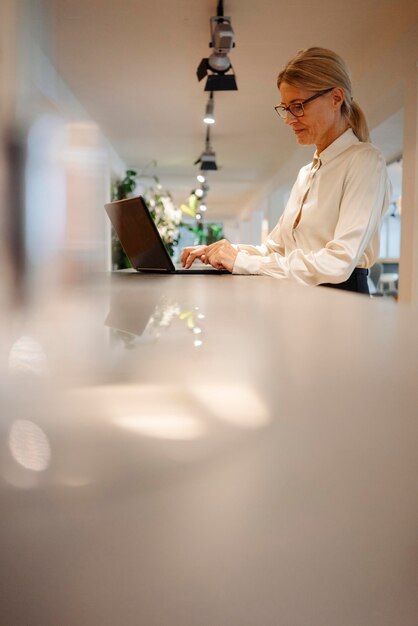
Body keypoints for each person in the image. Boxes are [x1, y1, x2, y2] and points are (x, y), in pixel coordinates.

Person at [181, 47, 391, 294]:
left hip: (341, 300)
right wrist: (224, 251)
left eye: (298, 106)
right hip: (299, 296)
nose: (289, 119)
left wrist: (242, 261)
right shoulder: (306, 173)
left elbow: (338, 263)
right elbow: (275, 249)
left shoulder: (365, 161)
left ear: (336, 98)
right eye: (285, 108)